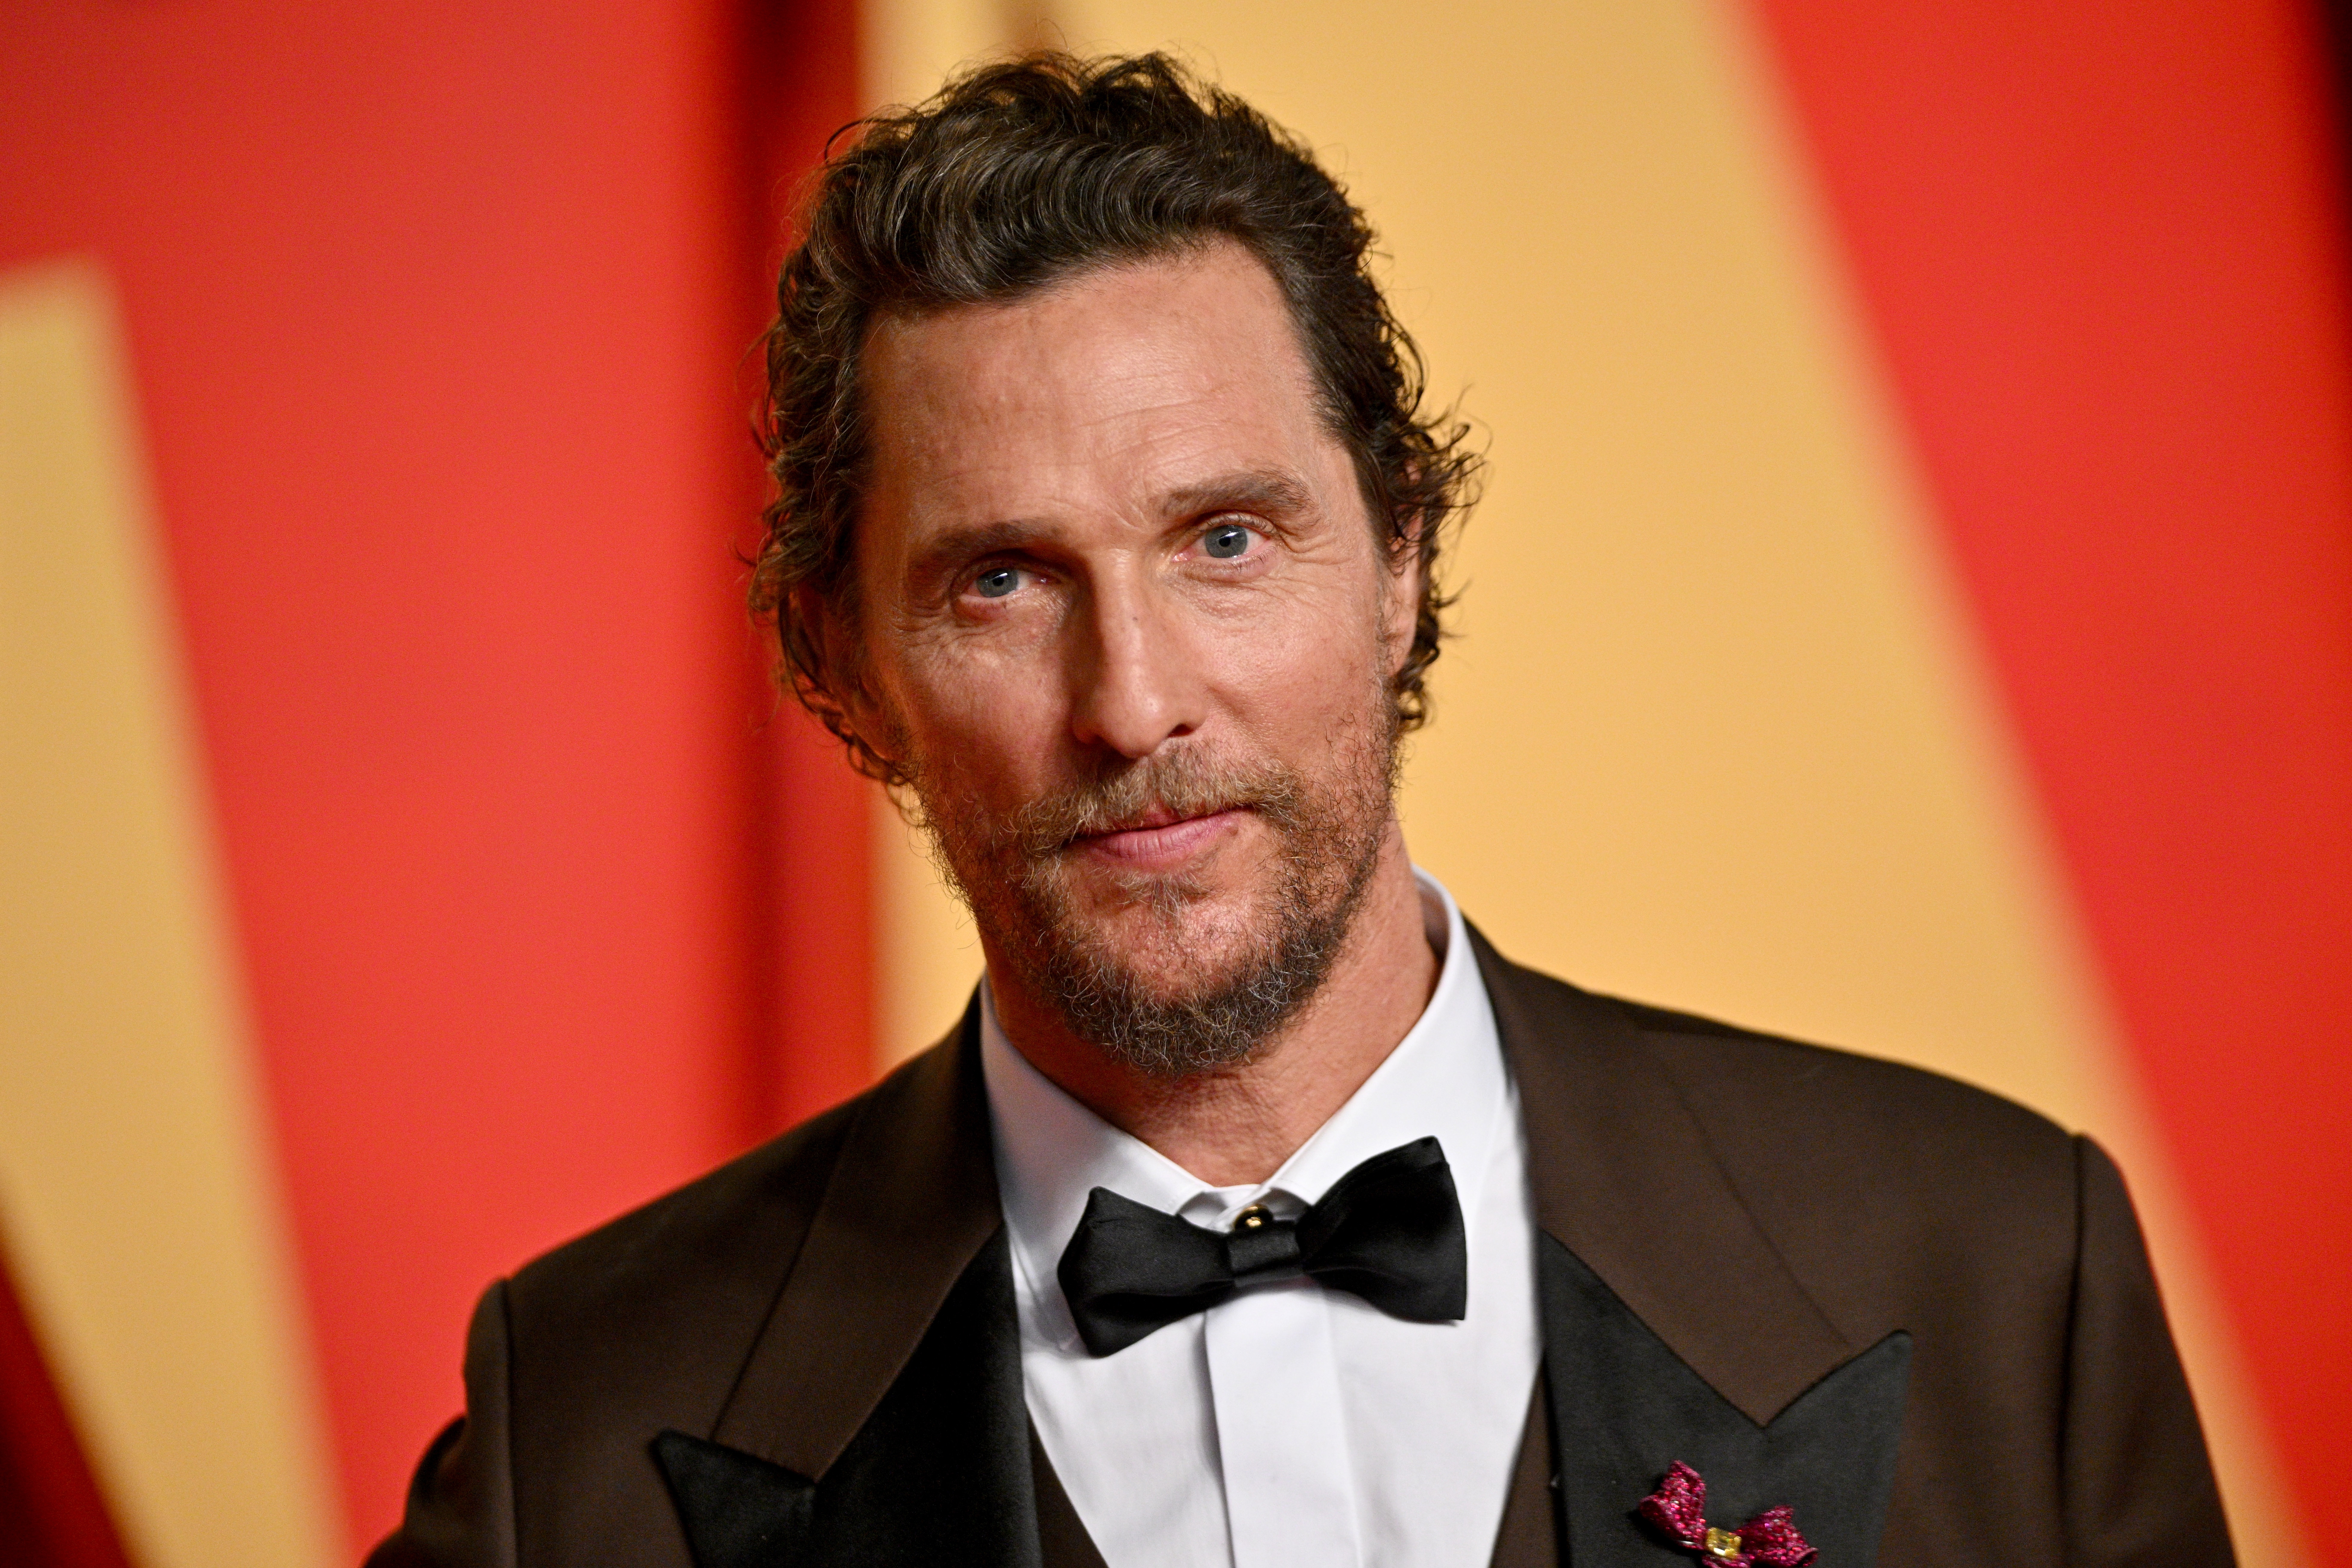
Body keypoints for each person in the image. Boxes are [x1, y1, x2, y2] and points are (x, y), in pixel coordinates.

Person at [371, 53, 2230, 1568]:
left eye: (1227, 540)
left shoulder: (1997, 1268)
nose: (1134, 699)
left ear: (1401, 558)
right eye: (1004, 580)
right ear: (840, 661)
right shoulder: (588, 1434)